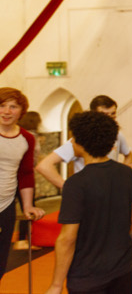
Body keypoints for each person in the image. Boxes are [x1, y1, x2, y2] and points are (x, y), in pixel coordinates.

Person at [44, 111, 132, 294]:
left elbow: (67, 239)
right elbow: (130, 220)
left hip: (88, 275)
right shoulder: (127, 173)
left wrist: (56, 285)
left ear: (80, 143)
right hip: (122, 268)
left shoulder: (76, 183)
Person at [36, 95, 132, 190]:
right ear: (93, 114)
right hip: (88, 190)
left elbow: (128, 155)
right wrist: (68, 188)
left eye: (113, 114)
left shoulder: (117, 135)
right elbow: (44, 166)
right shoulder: (79, 140)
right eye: (104, 115)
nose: (110, 119)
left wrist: (120, 176)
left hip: (110, 189)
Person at [0, 88, 46, 279]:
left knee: (1, 261)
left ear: (21, 111)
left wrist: (27, 205)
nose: (7, 111)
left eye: (13, 106)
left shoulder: (26, 138)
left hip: (6, 205)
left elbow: (25, 173)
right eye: (2, 106)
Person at [14, 111, 44, 251]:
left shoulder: (21, 134)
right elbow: (32, 158)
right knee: (28, 207)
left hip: (18, 175)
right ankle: (22, 240)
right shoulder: (30, 136)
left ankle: (22, 239)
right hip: (22, 176)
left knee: (24, 207)